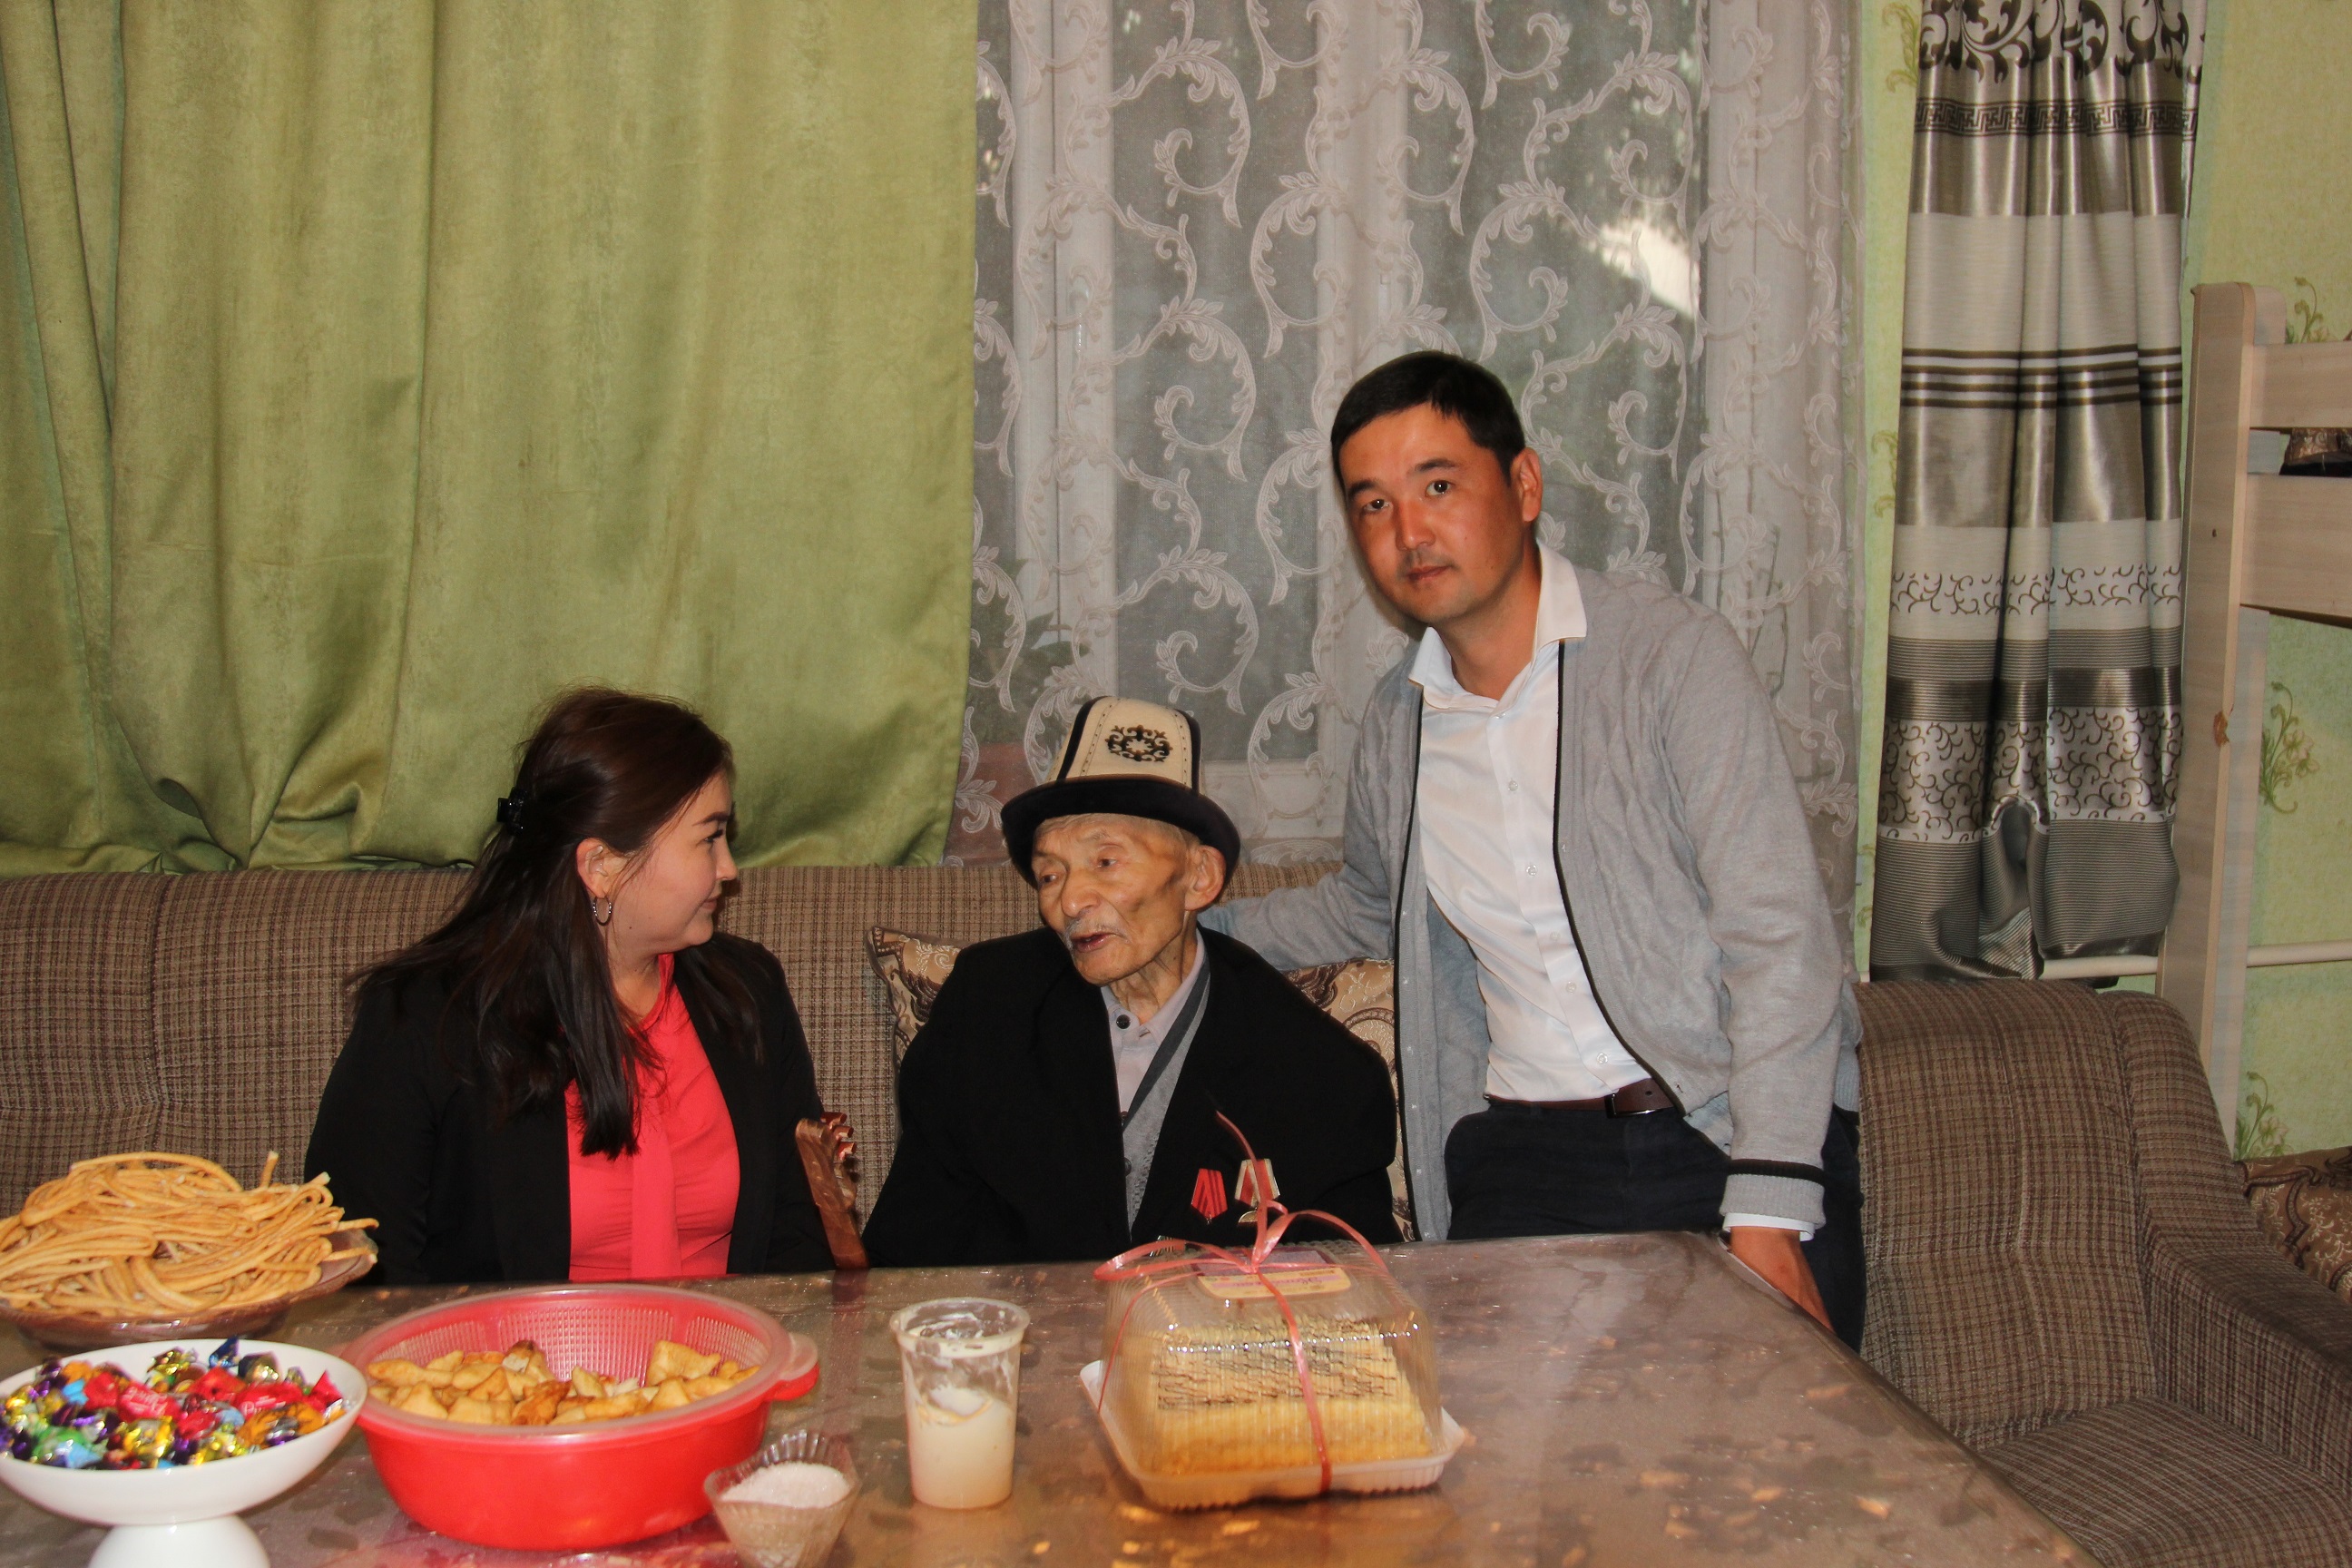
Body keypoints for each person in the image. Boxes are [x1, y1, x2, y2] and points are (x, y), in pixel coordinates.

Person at [1205, 352, 1865, 1346]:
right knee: (1483, 1441)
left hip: (1718, 1136)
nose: (1408, 533)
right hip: (1523, 1162)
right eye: (1373, 505)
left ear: (1523, 485)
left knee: (1763, 1439)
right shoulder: (1398, 723)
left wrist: (1767, 1204)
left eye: (1437, 487)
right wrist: (1188, 923)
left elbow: (1779, 939)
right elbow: (1367, 906)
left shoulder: (1672, 660)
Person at [307, 688, 831, 1284]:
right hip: (507, 1345)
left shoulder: (749, 992)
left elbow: (799, 1230)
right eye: (709, 838)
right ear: (601, 866)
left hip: (729, 1340)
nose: (729, 869)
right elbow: (363, 1267)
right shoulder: (426, 1019)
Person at [862, 697, 1400, 1267]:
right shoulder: (989, 1004)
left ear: (1200, 878)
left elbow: (1356, 1280)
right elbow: (911, 1244)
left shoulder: (1318, 1072)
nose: (1070, 900)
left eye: (1106, 862)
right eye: (1050, 875)